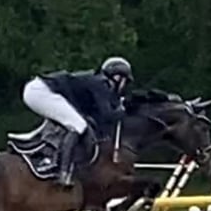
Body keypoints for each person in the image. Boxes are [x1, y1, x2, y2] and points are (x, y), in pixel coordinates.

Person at [22, 56, 134, 187]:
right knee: (78, 125)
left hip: (38, 90)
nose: (124, 85)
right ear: (117, 77)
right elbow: (106, 114)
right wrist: (123, 110)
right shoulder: (101, 83)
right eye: (124, 80)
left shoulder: (97, 81)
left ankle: (50, 158)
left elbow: (96, 114)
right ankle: (63, 172)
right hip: (41, 91)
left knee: (73, 121)